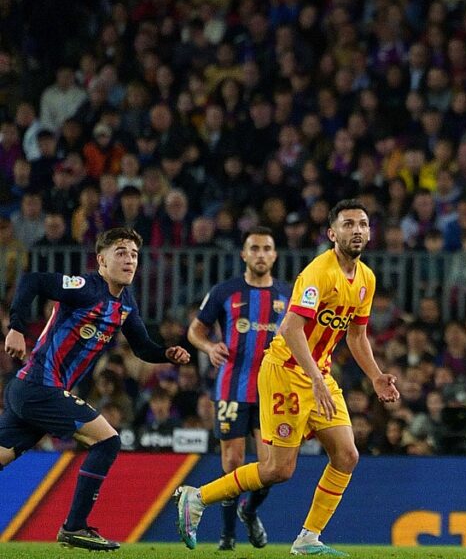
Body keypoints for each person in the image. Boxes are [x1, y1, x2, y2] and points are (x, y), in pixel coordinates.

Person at [174, 201, 399, 556]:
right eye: (348, 224)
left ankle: (308, 538)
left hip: (318, 373)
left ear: (370, 232)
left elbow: (356, 336)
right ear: (332, 233)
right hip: (286, 372)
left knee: (346, 455)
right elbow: (290, 329)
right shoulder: (318, 273)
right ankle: (197, 498)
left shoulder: (366, 279)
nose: (356, 230)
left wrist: (374, 376)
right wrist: (316, 379)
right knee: (278, 469)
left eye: (363, 224)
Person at [0, 228, 191, 550]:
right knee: (108, 440)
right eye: (121, 253)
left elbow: (142, 347)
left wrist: (166, 354)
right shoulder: (86, 287)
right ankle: (74, 527)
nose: (129, 260)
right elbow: (33, 280)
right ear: (101, 260)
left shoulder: (125, 303)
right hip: (38, 387)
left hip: (29, 390)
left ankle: (75, 527)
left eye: (134, 254)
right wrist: (16, 327)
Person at [186, 226, 290, 550]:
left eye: (266, 248)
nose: (260, 254)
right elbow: (195, 331)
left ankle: (250, 511)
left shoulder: (288, 295)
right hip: (232, 388)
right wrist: (209, 347)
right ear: (244, 254)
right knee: (232, 463)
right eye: (254, 248)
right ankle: (227, 536)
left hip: (272, 392)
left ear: (274, 255)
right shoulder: (225, 292)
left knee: (270, 468)